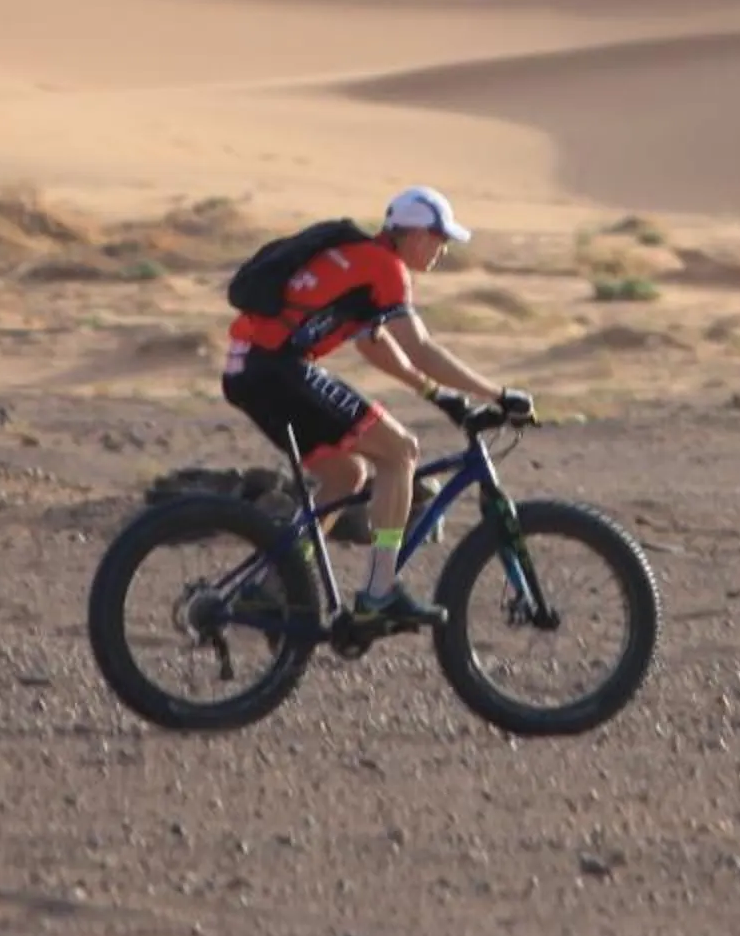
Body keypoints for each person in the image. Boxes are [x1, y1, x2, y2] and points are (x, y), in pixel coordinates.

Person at [221, 185, 533, 629]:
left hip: (249, 370)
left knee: (346, 476)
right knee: (401, 451)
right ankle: (379, 591)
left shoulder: (358, 261)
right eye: (440, 240)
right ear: (416, 234)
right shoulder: (385, 267)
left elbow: (374, 342)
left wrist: (436, 394)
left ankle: (272, 585)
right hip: (276, 369)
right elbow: (421, 349)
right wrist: (499, 395)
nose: (442, 251)